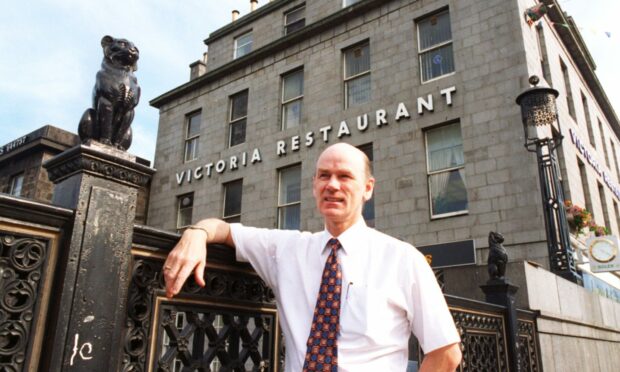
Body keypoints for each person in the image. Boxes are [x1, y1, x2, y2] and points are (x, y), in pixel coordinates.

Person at [164, 143, 462, 372]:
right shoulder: (286, 249)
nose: (332, 185)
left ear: (368, 189)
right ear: (314, 185)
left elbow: (446, 352)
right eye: (324, 176)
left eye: (345, 176)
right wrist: (196, 233)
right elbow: (225, 230)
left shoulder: (402, 258)